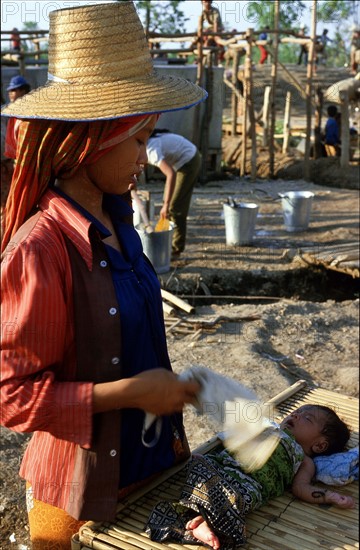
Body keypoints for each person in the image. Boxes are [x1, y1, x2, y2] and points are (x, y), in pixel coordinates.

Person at [0, 2, 207, 548]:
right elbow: (13, 397)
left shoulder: (119, 224)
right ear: (89, 140)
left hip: (150, 466)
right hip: (77, 494)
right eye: (138, 140)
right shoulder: (41, 250)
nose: (146, 155)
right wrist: (128, 392)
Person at [146, 404, 355, 549]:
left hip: (248, 486)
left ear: (319, 445)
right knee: (201, 466)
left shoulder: (304, 460)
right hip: (222, 468)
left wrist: (328, 496)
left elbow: (301, 488)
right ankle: (202, 518)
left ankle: (203, 522)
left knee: (234, 500)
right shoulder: (269, 429)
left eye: (307, 418)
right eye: (296, 412)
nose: (295, 416)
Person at [146, 130, 201, 259]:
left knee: (175, 207)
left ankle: (176, 249)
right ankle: (170, 243)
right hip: (185, 159)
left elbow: (171, 174)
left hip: (189, 161)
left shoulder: (150, 149)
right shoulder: (145, 145)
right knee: (173, 206)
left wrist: (165, 204)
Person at [4, 75, 31, 160]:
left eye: (13, 90)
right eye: (9, 91)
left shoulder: (30, 111)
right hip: (14, 156)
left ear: (23, 91)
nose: (10, 93)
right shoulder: (9, 111)